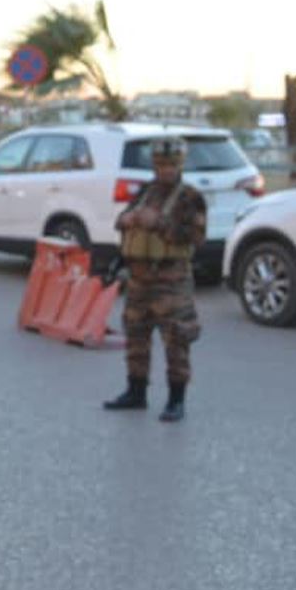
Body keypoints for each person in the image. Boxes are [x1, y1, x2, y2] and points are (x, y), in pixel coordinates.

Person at [103, 135, 206, 422]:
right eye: (161, 165)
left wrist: (159, 223)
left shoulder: (190, 197)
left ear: (180, 165)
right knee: (136, 336)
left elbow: (196, 236)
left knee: (176, 340)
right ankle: (136, 391)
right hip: (139, 277)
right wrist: (126, 221)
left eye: (171, 165)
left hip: (171, 280)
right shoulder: (146, 191)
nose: (166, 170)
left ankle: (176, 399)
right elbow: (123, 219)